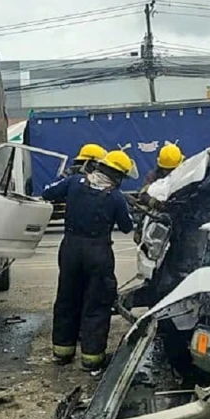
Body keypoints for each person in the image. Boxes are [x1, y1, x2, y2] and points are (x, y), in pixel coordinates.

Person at [42, 149, 137, 372]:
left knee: (67, 298)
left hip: (70, 249)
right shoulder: (114, 196)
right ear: (118, 175)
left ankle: (62, 352)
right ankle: (92, 359)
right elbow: (126, 227)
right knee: (96, 304)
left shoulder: (74, 183)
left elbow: (47, 193)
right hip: (98, 252)